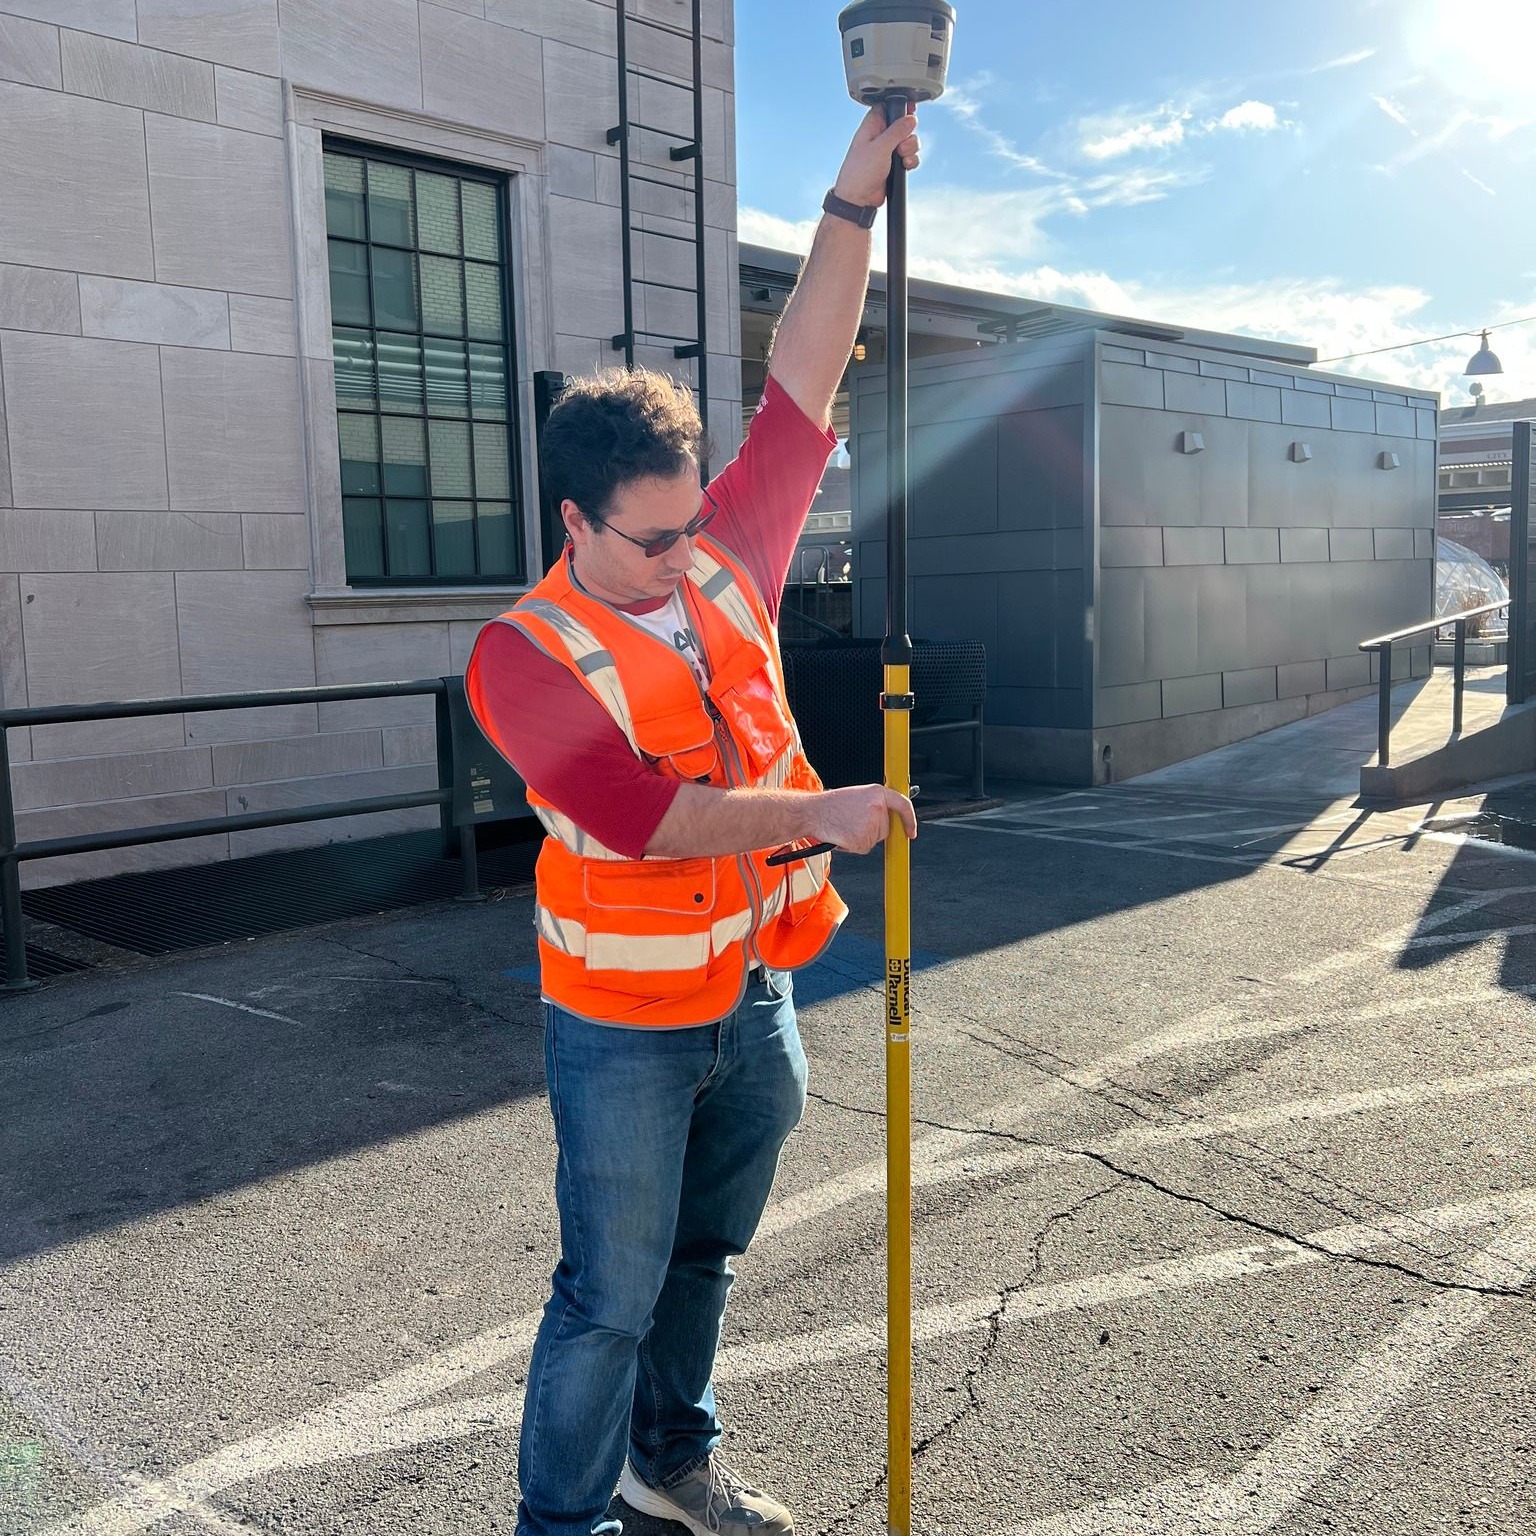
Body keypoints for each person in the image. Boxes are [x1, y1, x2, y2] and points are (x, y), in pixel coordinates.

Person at [465, 105, 921, 1536]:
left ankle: (673, 1459)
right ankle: (563, 1522)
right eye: (648, 541)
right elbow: (648, 822)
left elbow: (802, 379)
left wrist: (852, 193)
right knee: (607, 1289)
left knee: (706, 1258)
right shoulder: (519, 656)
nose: (678, 564)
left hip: (753, 985)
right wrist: (825, 808)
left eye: (687, 531)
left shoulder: (719, 554)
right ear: (572, 519)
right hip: (621, 1021)